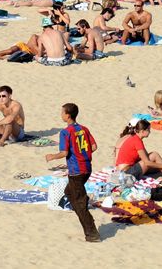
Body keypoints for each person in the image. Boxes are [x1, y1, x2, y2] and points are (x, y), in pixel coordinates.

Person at [44, 103, 99, 242]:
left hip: (76, 171)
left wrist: (52, 157)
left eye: (62, 112)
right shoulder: (84, 129)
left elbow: (64, 152)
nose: (61, 114)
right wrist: (82, 154)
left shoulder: (66, 132)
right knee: (69, 192)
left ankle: (92, 234)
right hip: (87, 168)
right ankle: (83, 203)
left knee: (79, 203)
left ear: (68, 116)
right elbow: (94, 146)